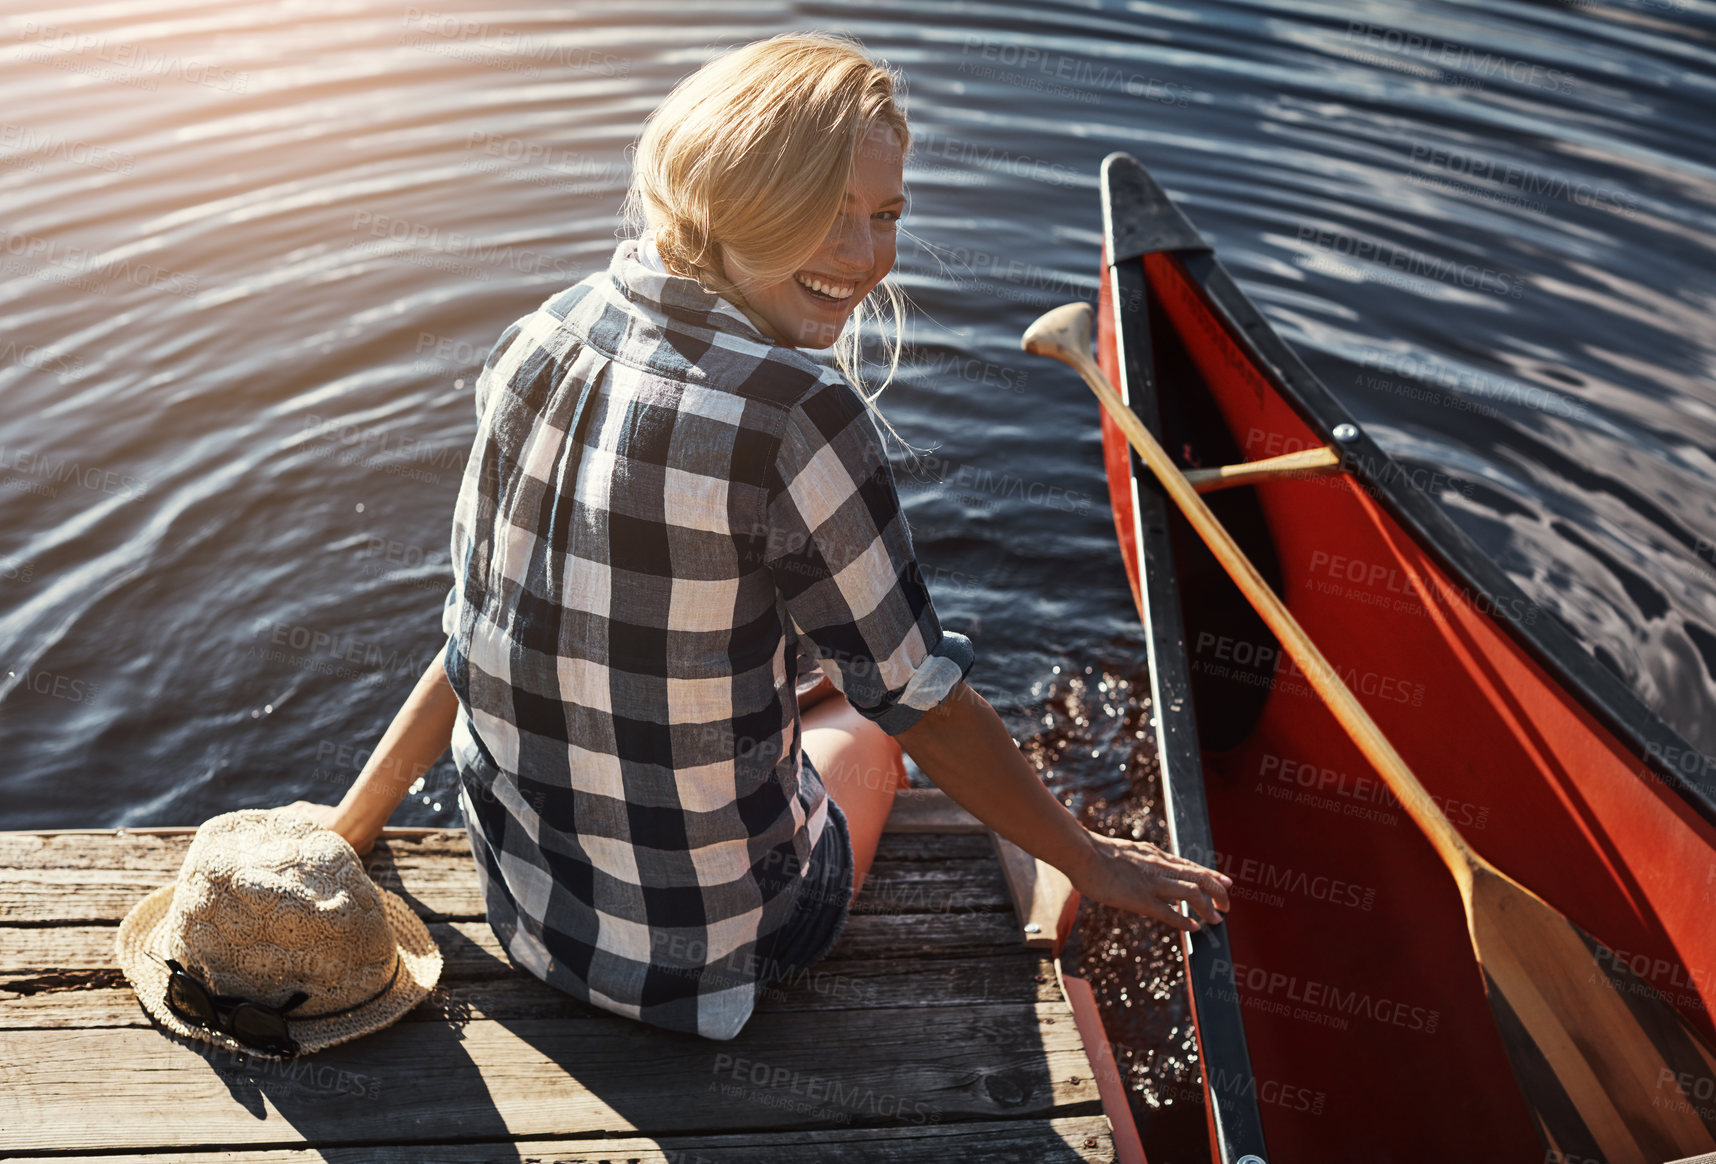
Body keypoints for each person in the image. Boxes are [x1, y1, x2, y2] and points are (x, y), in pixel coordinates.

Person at [291, 31, 1230, 1042]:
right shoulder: (798, 415)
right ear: (730, 194)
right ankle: (1017, 851)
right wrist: (1089, 856)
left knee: (796, 663)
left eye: (886, 214)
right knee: (877, 724)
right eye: (824, 214)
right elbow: (924, 704)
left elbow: (473, 636)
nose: (866, 257)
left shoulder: (541, 337)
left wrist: (347, 832)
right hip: (719, 959)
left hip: (530, 916)